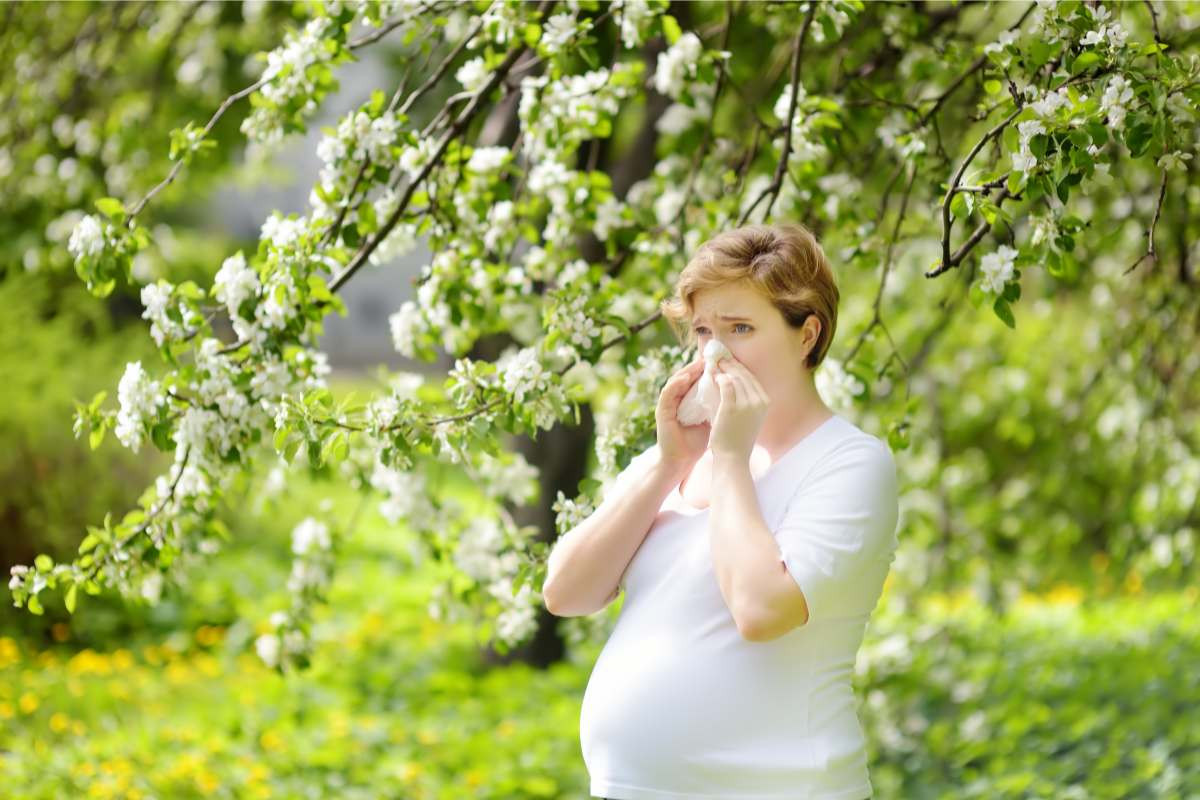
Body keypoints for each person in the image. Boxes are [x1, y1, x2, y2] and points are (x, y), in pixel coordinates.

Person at [542, 222, 900, 800]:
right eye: (704, 329)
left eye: (740, 328)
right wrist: (667, 466)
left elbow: (761, 610)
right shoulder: (679, 456)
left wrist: (730, 456)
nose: (715, 351)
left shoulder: (850, 465)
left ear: (807, 335)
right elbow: (566, 593)